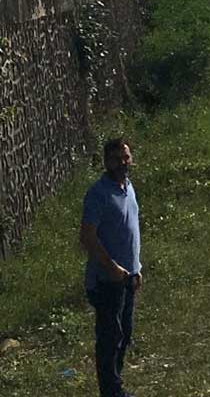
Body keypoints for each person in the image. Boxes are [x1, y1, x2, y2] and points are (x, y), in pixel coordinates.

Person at [80, 138, 142, 397]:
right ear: (106, 162)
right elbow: (87, 237)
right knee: (109, 338)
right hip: (106, 280)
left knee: (124, 334)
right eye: (117, 159)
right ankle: (111, 391)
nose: (122, 163)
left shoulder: (128, 187)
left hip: (128, 278)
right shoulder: (98, 194)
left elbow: (132, 230)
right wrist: (112, 266)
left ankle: (115, 385)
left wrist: (136, 268)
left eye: (126, 157)